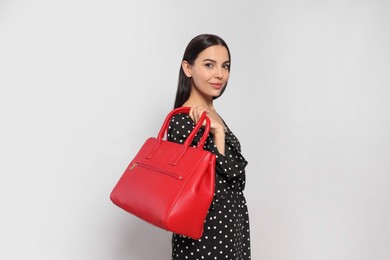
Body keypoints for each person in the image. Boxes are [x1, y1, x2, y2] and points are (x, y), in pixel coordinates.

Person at [167, 34, 251, 260]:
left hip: (231, 227)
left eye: (225, 66)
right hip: (206, 235)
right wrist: (216, 135)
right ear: (188, 68)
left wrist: (217, 132)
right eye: (209, 65)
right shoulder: (183, 120)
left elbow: (236, 182)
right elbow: (197, 189)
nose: (220, 74)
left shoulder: (213, 116)